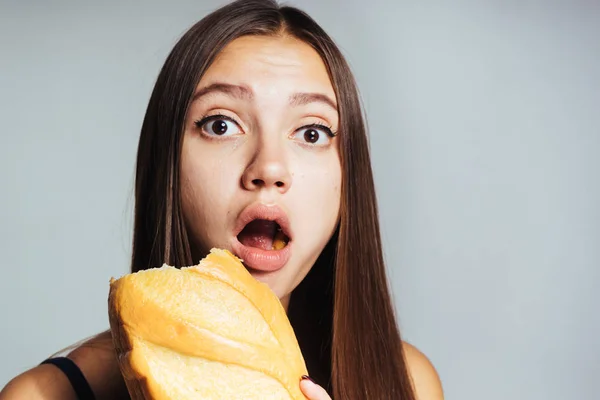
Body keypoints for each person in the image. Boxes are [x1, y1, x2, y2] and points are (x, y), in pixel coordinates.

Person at [0, 0, 444, 399]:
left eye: (312, 133)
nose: (269, 168)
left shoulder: (409, 382)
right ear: (166, 163)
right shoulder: (44, 396)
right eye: (220, 125)